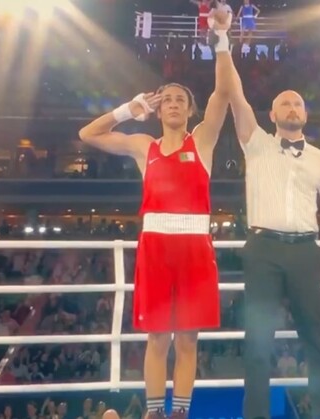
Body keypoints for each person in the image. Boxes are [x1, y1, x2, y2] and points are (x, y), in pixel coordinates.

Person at [78, 10, 231, 418]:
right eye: (167, 100)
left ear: (190, 110)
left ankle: (179, 411)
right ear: (159, 109)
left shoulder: (204, 141)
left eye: (181, 99)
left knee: (187, 339)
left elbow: (223, 94)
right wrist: (129, 109)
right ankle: (153, 411)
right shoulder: (142, 146)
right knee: (157, 337)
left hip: (196, 247)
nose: (174, 104)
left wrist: (221, 38)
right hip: (156, 248)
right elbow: (87, 135)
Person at [211, 22, 320, 419]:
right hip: (263, 251)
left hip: (306, 252)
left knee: (316, 339)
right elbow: (233, 92)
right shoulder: (256, 142)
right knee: (258, 343)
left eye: (298, 104)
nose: (293, 108)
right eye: (285, 104)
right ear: (272, 113)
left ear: (306, 114)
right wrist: (222, 40)